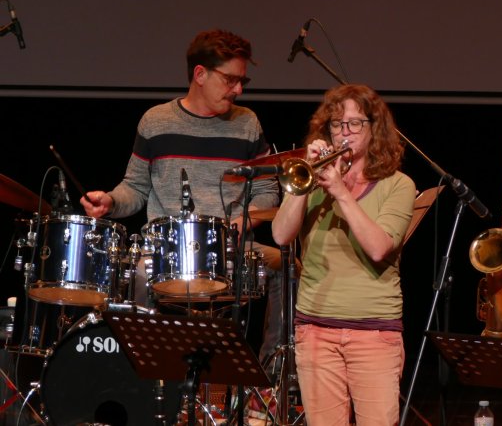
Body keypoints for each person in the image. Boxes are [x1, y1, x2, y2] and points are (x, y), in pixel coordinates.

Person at [79, 28, 285, 377]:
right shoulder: (156, 121)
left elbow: (268, 192)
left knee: (290, 268)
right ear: (200, 75)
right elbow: (136, 187)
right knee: (141, 272)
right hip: (164, 250)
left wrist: (242, 223)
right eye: (231, 79)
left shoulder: (247, 124)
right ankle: (145, 379)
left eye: (242, 80)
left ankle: (267, 378)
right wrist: (111, 201)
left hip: (231, 247)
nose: (239, 89)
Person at [271, 83, 416, 425]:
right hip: (316, 330)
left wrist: (340, 192)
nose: (343, 133)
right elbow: (280, 234)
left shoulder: (398, 185)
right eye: (336, 124)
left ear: (374, 128)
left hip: (374, 334)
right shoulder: (314, 182)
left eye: (354, 124)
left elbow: (379, 247)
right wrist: (305, 181)